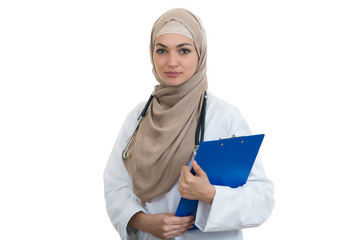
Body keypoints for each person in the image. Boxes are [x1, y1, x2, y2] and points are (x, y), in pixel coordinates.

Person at [104, 8, 274, 240]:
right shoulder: (138, 118)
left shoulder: (224, 117)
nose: (171, 62)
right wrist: (144, 221)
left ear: (200, 53)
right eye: (161, 50)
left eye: (184, 50)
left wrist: (211, 194)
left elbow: (261, 199)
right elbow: (115, 187)